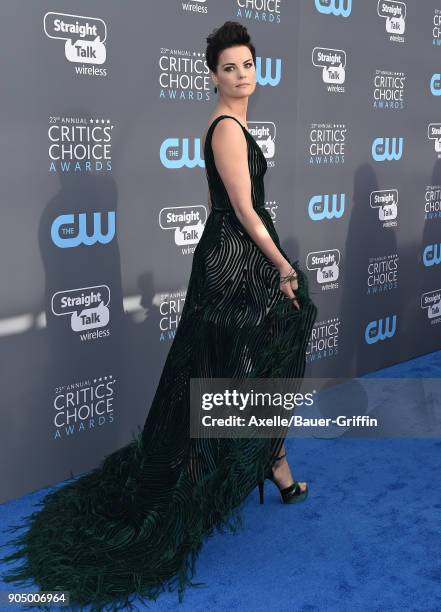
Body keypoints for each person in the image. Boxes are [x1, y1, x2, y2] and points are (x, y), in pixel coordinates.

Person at [0, 20, 318, 611]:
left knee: (254, 366)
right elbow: (244, 212)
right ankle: (261, 466)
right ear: (214, 75)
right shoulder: (226, 127)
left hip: (235, 258)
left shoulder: (234, 122)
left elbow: (215, 203)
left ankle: (273, 461)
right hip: (238, 262)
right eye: (230, 67)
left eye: (248, 65)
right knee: (227, 368)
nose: (242, 75)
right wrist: (283, 265)